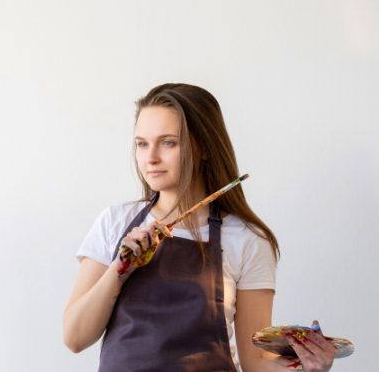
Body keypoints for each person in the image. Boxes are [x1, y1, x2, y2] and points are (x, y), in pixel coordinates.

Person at [62, 84, 337, 371]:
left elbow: (256, 364)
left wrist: (306, 366)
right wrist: (118, 270)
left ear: (203, 148)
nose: (150, 157)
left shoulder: (248, 240)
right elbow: (75, 338)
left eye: (168, 142)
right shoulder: (114, 223)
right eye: (142, 143)